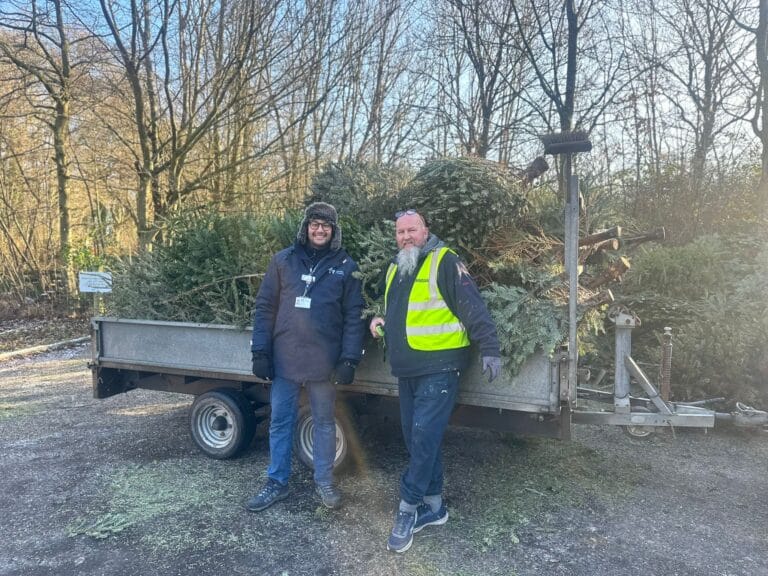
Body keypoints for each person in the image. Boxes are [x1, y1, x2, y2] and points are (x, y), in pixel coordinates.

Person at [369, 208, 501, 553]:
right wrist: (380, 320)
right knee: (417, 441)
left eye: (412, 230)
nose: (406, 237)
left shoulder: (445, 260)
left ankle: (407, 510)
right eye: (400, 232)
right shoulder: (397, 266)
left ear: (426, 231)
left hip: (440, 367)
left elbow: (472, 304)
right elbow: (398, 309)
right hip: (407, 369)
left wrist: (489, 346)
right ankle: (436, 507)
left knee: (423, 436)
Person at [247, 202, 364, 512]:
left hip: (323, 364)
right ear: (306, 227)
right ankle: (277, 482)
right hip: (285, 359)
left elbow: (354, 316)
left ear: (334, 230)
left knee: (324, 424)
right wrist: (260, 351)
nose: (320, 229)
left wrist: (349, 359)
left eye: (326, 224)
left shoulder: (346, 266)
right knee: (280, 422)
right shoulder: (283, 261)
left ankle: (324, 482)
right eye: (315, 223)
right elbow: (265, 307)